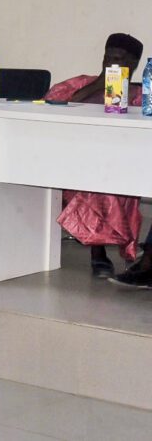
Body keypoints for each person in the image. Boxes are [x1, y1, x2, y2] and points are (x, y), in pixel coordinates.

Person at [44, 33, 144, 276]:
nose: (110, 63)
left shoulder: (140, 93)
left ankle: (102, 251)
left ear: (132, 64)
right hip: (72, 157)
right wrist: (100, 84)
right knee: (93, 180)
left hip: (119, 162)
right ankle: (97, 252)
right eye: (107, 57)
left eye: (118, 59)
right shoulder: (81, 83)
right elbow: (53, 105)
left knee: (102, 181)